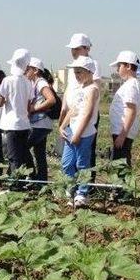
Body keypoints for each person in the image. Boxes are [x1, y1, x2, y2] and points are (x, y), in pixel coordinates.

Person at [60, 56, 100, 207]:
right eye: (75, 72)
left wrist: (77, 134)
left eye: (79, 72)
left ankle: (82, 194)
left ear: (89, 72)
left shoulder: (93, 89)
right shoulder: (80, 88)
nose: (77, 75)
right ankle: (70, 189)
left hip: (84, 132)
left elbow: (88, 114)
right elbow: (73, 110)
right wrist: (62, 126)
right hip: (72, 130)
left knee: (82, 163)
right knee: (67, 163)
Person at [61, 33, 101, 181]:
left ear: (86, 48)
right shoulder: (75, 69)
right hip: (72, 120)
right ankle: (71, 187)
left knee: (83, 159)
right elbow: (71, 96)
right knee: (68, 161)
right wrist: (63, 119)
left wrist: (78, 131)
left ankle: (84, 189)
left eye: (77, 48)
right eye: (72, 48)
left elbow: (88, 107)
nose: (73, 51)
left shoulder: (92, 65)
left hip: (85, 121)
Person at [0, 48, 33, 175]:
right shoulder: (28, 82)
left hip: (11, 124)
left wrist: (6, 99)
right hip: (23, 124)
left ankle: (15, 185)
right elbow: (29, 105)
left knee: (13, 156)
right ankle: (29, 177)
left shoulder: (7, 80)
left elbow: (0, 102)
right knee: (23, 153)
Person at [24, 57, 56, 181]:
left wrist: (34, 108)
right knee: (39, 153)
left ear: (36, 70)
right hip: (41, 124)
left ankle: (31, 175)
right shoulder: (34, 83)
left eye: (28, 69)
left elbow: (51, 99)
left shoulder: (41, 82)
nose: (25, 72)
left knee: (22, 147)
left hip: (40, 123)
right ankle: (41, 180)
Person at [109, 51, 140, 165]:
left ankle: (122, 183)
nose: (117, 69)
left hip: (122, 132)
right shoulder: (130, 84)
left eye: (119, 66)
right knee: (119, 163)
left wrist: (122, 135)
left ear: (128, 66)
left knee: (120, 164)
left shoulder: (131, 85)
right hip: (121, 131)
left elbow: (131, 110)